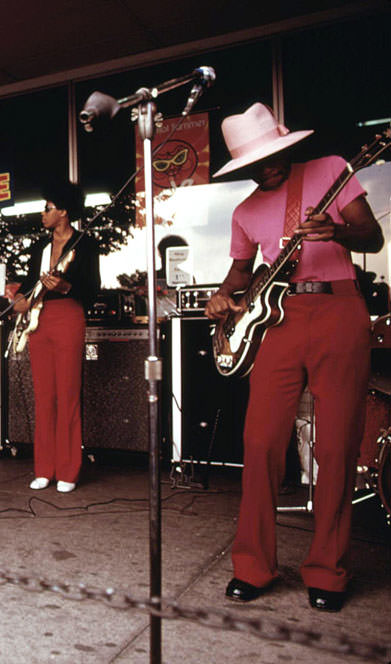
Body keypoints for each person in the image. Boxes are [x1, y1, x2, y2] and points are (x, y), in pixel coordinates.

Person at [204, 103, 383, 612]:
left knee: (337, 445)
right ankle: (253, 566)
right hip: (278, 323)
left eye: (271, 157)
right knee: (260, 441)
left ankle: (328, 570)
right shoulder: (244, 212)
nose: (266, 169)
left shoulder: (330, 170)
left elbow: (373, 236)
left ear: (286, 147)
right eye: (254, 164)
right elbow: (241, 274)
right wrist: (222, 295)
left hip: (338, 308)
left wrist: (336, 232)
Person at [12, 181, 100, 493]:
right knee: (44, 396)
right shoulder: (40, 247)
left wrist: (65, 287)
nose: (43, 213)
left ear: (63, 212)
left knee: (67, 395)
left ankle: (68, 470)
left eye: (48, 208)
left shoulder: (85, 244)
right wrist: (19, 299)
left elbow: (93, 289)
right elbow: (27, 284)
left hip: (68, 317)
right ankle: (44, 468)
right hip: (40, 320)